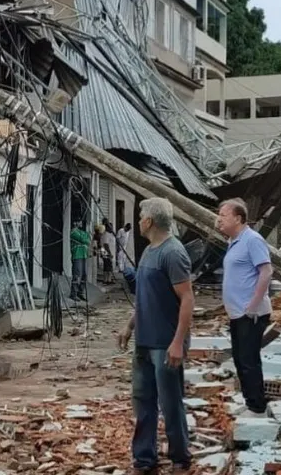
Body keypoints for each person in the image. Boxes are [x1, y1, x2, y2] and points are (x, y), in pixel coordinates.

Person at [118, 198, 194, 475]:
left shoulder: (173, 253)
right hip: (145, 341)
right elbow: (144, 299)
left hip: (165, 342)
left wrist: (177, 342)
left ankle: (180, 458)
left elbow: (187, 299)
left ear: (149, 221)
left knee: (170, 402)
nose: (138, 221)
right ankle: (144, 459)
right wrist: (129, 326)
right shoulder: (150, 251)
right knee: (143, 401)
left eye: (141, 217)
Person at [215, 197, 272, 416]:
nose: (219, 220)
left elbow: (266, 272)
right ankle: (250, 401)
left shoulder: (252, 240)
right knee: (240, 358)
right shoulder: (233, 241)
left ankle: (258, 407)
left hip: (251, 314)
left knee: (248, 360)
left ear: (238, 218)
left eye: (223, 215)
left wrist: (253, 305)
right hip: (237, 313)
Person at [70, 219, 91, 301]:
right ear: (75, 222)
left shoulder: (82, 232)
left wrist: (85, 239)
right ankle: (73, 293)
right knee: (77, 274)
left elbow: (88, 240)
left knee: (84, 275)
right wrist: (85, 239)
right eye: (79, 222)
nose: (81, 223)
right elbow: (84, 239)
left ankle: (80, 292)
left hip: (84, 254)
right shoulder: (73, 232)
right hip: (77, 254)